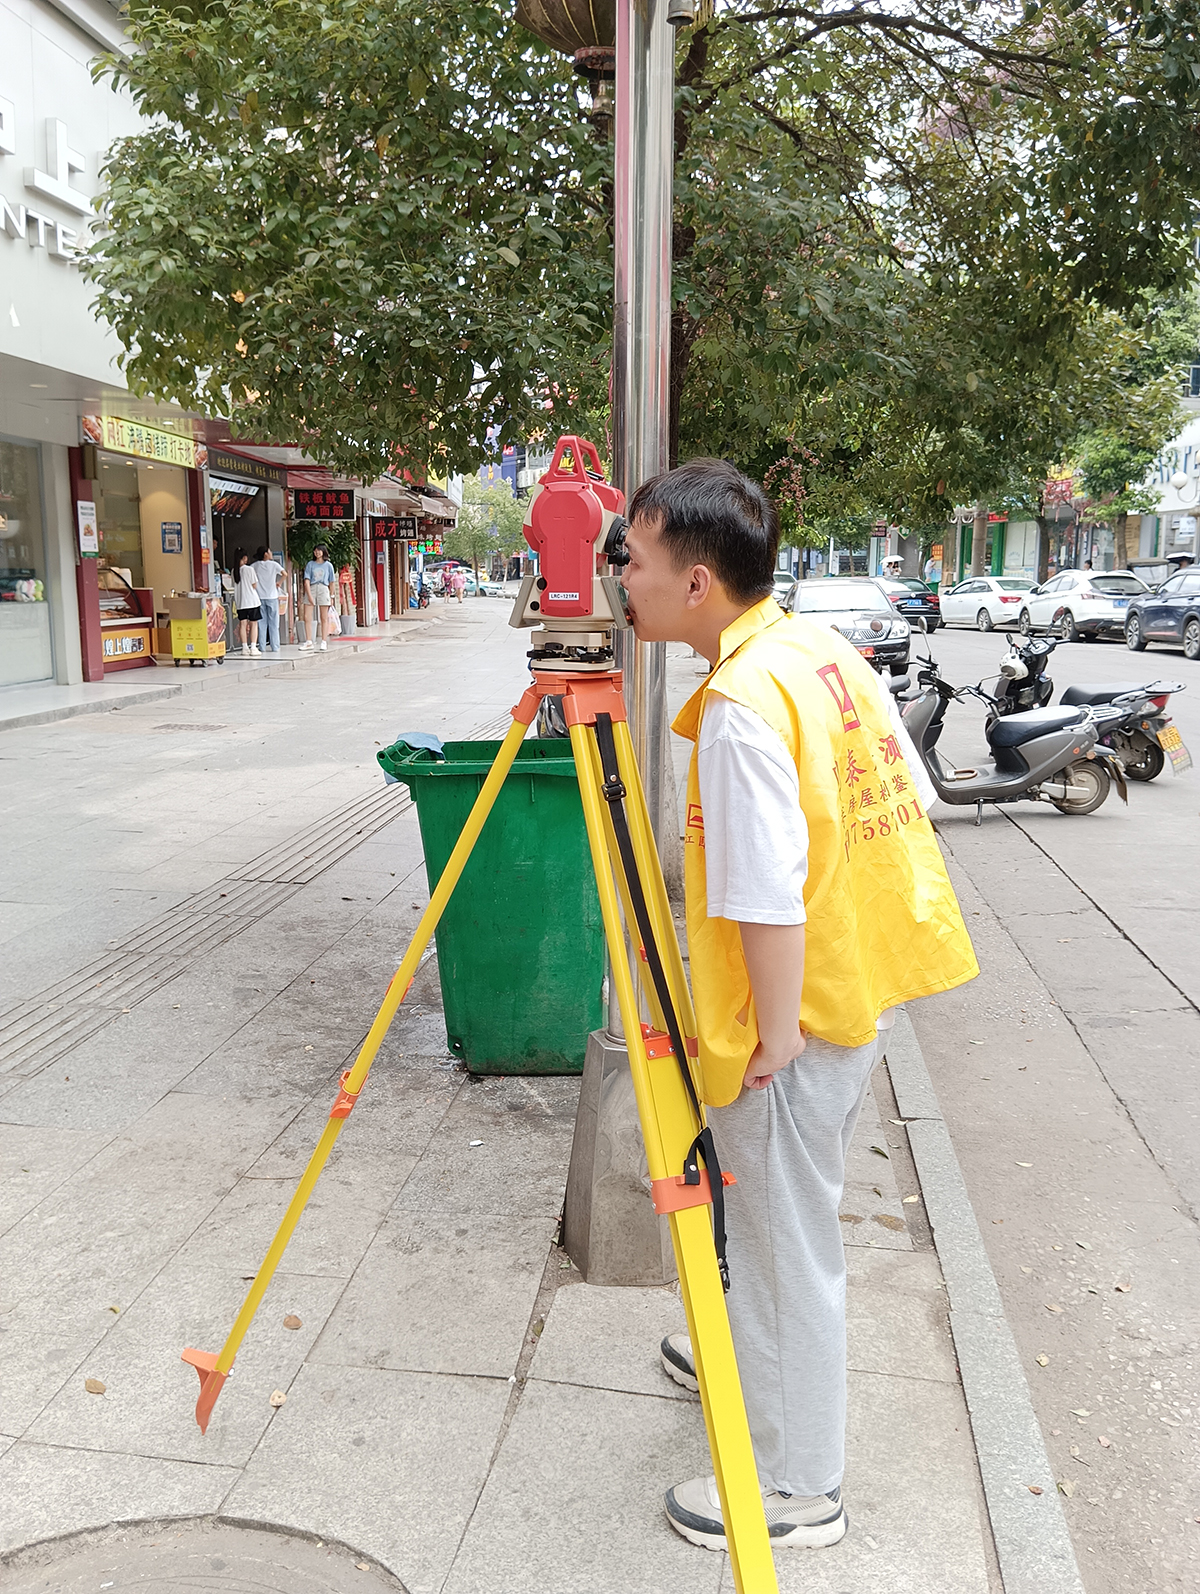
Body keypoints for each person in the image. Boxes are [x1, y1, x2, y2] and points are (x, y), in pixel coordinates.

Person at [619, 458, 978, 1553]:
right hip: (851, 986)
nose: (615, 582)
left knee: (784, 1242)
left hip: (798, 1017)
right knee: (774, 1222)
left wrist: (773, 1031)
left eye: (629, 561)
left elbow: (765, 891)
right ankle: (739, 1355)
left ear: (694, 584)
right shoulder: (816, 650)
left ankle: (796, 1484)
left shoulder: (736, 704)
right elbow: (910, 796)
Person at [252, 545, 286, 652]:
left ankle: (262, 647)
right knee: (274, 624)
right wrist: (279, 583)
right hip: (272, 596)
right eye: (269, 551)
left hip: (259, 597)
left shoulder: (254, 566)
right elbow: (285, 574)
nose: (271, 553)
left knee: (261, 623)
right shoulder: (274, 565)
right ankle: (275, 646)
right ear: (266, 554)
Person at [302, 545, 336, 650]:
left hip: (323, 588)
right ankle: (308, 641)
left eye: (319, 551)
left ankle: (324, 641)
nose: (317, 553)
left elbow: (331, 582)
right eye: (315, 551)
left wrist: (332, 596)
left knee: (324, 617)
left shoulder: (328, 565)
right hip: (312, 587)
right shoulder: (310, 564)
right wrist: (309, 594)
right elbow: (306, 580)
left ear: (324, 552)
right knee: (307, 616)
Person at [233, 552, 261, 655]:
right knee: (253, 624)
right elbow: (254, 585)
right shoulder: (249, 569)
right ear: (244, 558)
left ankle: (244, 647)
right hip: (252, 601)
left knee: (242, 624)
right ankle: (253, 647)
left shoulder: (234, 571)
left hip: (240, 602)